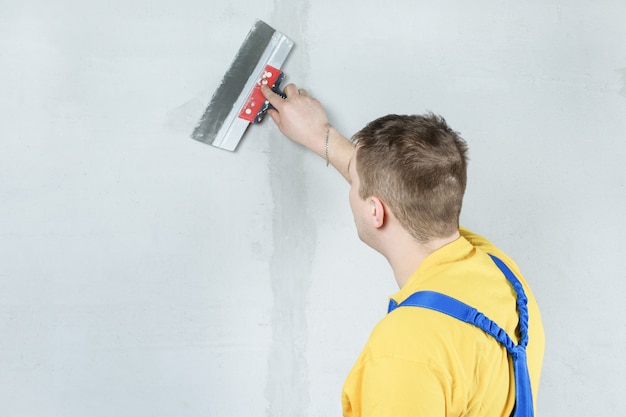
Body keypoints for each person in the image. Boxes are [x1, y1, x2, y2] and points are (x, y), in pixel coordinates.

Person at [261, 83, 545, 417]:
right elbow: (399, 182)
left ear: (375, 212)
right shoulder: (500, 272)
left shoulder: (405, 350)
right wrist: (321, 135)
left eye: (356, 186)